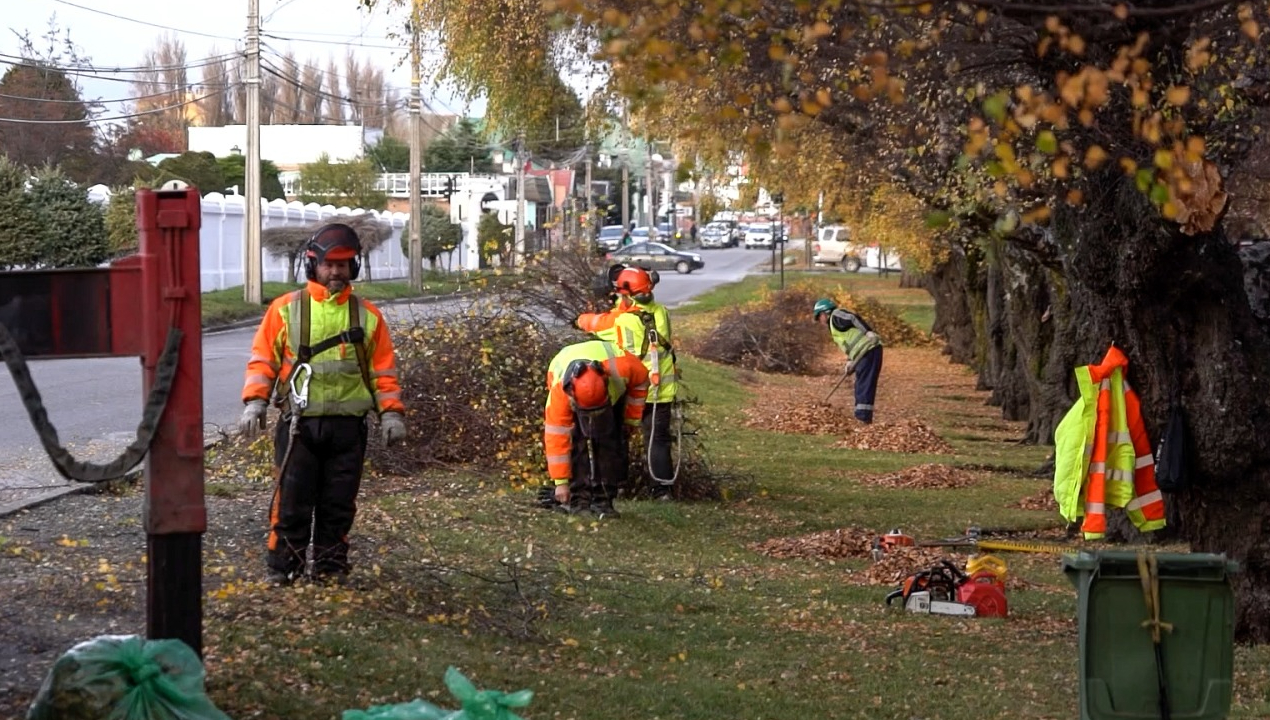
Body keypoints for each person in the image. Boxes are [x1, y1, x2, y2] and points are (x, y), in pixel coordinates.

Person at [238, 222, 407, 585]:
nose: (336, 272)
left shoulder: (368, 315)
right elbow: (263, 360)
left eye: (343, 265)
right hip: (299, 426)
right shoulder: (285, 309)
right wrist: (255, 402)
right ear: (313, 264)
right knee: (291, 503)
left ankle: (330, 570)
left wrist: (391, 414)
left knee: (338, 505)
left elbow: (382, 372)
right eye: (330, 264)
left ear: (353, 267)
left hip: (348, 429)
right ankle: (284, 570)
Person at [576, 266, 680, 499]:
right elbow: (636, 310)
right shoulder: (661, 312)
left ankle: (618, 484)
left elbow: (591, 323)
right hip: (661, 391)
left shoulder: (621, 321)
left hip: (634, 392)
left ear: (627, 295)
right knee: (658, 440)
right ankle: (662, 490)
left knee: (618, 436)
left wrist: (578, 319)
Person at [540, 339, 649, 518]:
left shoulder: (624, 367)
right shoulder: (560, 394)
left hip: (613, 395)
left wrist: (631, 419)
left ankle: (604, 500)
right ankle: (578, 500)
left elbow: (641, 382)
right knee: (577, 443)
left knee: (609, 441)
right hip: (576, 396)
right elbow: (557, 439)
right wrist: (561, 482)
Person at [813, 298, 883, 424]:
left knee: (864, 385)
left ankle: (863, 419)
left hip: (869, 349)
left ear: (825, 312)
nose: (819, 321)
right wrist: (850, 361)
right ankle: (861, 417)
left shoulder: (836, 315)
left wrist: (868, 332)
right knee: (860, 385)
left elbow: (853, 318)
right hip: (861, 354)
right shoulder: (834, 326)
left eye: (819, 317)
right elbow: (851, 344)